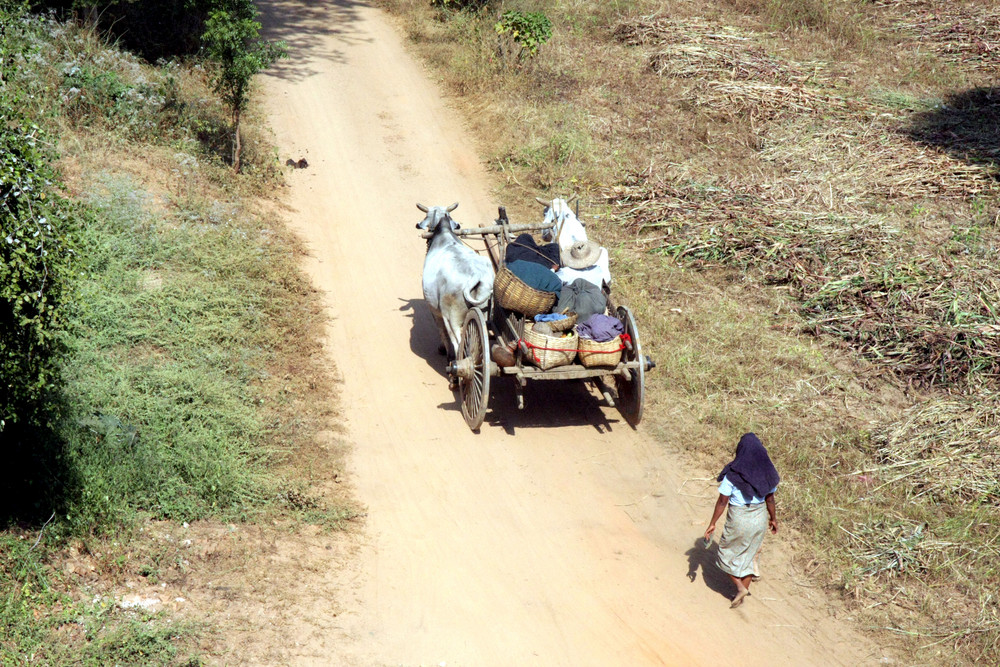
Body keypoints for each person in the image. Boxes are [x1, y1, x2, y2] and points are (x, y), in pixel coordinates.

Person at [703, 432, 780, 608]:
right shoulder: (767, 472)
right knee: (750, 555)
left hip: (740, 518)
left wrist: (712, 523)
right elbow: (770, 499)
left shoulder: (732, 474)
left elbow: (723, 501)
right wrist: (773, 519)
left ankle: (739, 587)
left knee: (725, 554)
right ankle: (741, 595)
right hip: (760, 518)